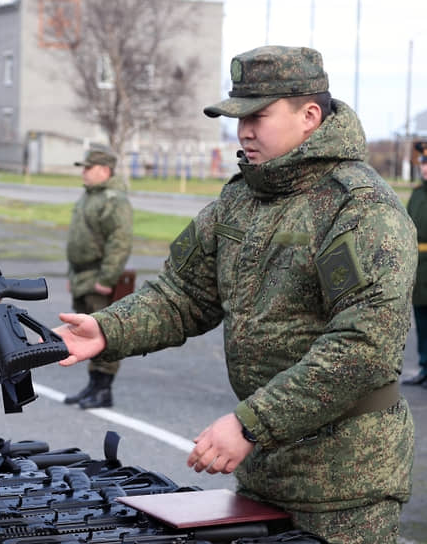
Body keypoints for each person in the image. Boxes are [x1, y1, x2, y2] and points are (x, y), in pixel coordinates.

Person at [54, 46, 415, 544]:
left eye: (258, 117)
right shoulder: (241, 199)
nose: (243, 130)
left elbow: (362, 348)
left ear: (310, 116)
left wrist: (249, 425)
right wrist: (109, 328)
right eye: (237, 117)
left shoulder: (357, 208)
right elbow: (183, 294)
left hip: (345, 486)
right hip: (265, 467)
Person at [62, 144, 133, 409]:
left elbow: (120, 242)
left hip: (98, 276)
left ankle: (104, 389)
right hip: (83, 275)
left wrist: (107, 278)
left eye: (89, 168)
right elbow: (77, 239)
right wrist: (73, 273)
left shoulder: (114, 200)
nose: (85, 173)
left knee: (104, 333)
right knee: (85, 332)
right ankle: (93, 385)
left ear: (104, 170)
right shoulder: (90, 196)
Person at [403, 143, 427, 387]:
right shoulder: (418, 193)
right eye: (424, 163)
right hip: (420, 266)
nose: (426, 168)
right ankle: (424, 366)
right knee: (421, 320)